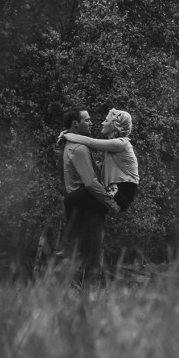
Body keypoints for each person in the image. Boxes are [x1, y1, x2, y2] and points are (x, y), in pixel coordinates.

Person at [59, 107, 115, 282]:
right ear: (76, 124)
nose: (91, 122)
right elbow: (90, 182)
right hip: (88, 207)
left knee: (81, 253)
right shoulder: (79, 149)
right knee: (93, 255)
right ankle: (88, 294)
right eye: (87, 120)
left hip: (79, 205)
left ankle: (72, 291)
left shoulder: (69, 144)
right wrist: (108, 201)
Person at [60, 108, 139, 214]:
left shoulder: (122, 144)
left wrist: (67, 134)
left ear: (114, 125)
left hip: (123, 193)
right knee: (77, 198)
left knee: (73, 199)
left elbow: (90, 142)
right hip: (116, 190)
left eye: (106, 121)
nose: (102, 123)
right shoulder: (113, 146)